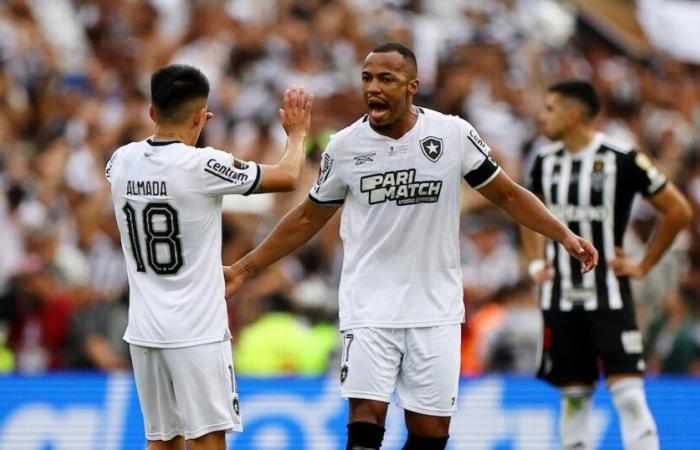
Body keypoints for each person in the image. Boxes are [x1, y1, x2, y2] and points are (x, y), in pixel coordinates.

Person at [224, 43, 597, 450]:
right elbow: (306, 217)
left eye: (386, 79)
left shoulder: (452, 134)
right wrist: (244, 269)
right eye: (367, 78)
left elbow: (507, 194)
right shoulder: (346, 146)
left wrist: (564, 235)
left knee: (430, 434)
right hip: (369, 308)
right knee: (365, 423)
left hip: (434, 309)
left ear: (412, 86)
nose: (373, 88)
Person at [105, 64, 312, 450]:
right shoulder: (202, 165)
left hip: (145, 331)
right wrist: (298, 134)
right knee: (208, 441)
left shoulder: (120, 162)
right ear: (202, 115)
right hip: (196, 331)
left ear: (152, 112)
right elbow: (287, 176)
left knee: (162, 442)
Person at [522, 79, 692, 450]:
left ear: (573, 113)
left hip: (610, 297)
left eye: (550, 108)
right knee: (573, 401)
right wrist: (536, 263)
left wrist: (644, 264)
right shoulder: (545, 162)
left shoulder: (621, 157)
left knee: (629, 397)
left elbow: (678, 210)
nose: (541, 116)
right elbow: (525, 214)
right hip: (560, 298)